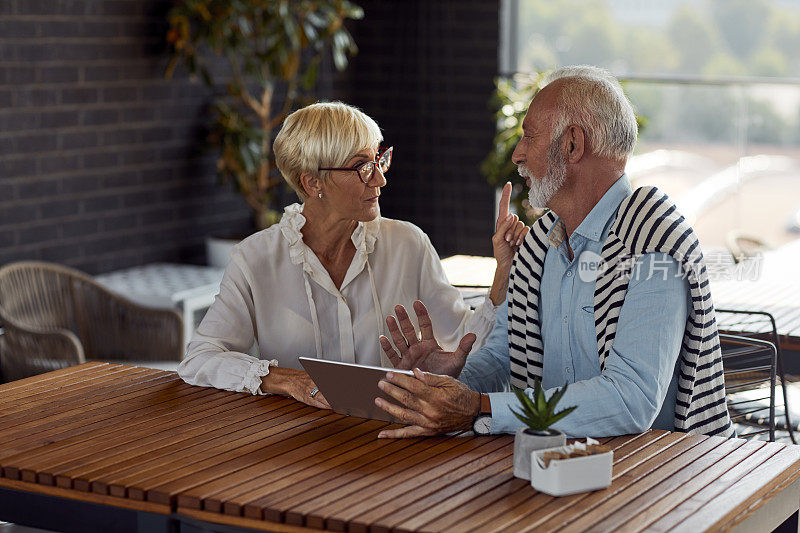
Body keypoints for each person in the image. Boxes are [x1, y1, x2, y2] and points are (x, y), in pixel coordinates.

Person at [374, 66, 733, 438]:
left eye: (529, 137)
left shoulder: (652, 237)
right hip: (554, 461)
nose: (517, 154)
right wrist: (449, 380)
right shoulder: (539, 241)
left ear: (573, 144)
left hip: (656, 474)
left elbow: (631, 400)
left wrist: (478, 408)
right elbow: (505, 358)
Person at [177, 101, 528, 409]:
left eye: (380, 160)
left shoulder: (408, 243)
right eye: (362, 167)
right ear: (313, 183)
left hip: (396, 439)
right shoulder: (255, 258)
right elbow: (200, 359)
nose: (379, 180)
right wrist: (287, 380)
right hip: (295, 452)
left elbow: (468, 341)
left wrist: (503, 273)